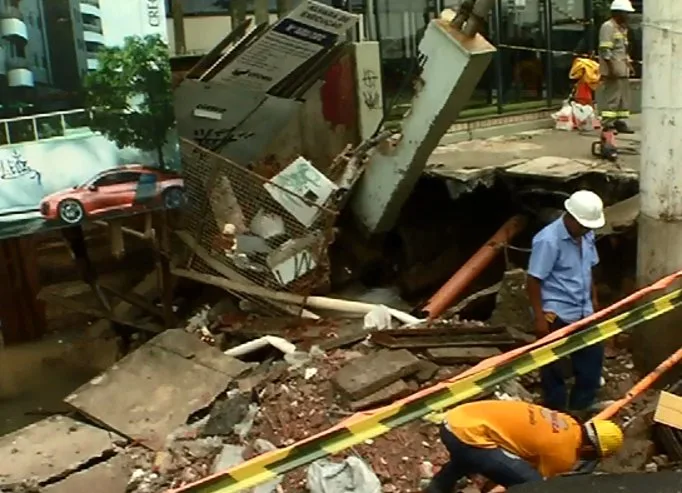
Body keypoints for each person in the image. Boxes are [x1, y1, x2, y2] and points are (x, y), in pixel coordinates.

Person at [424, 400, 623, 493]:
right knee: (533, 486)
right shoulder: (564, 455)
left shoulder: (568, 422)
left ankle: (437, 488)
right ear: (590, 450)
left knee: (473, 457)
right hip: (467, 435)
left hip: (459, 418)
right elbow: (534, 482)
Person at [527, 190, 605, 415]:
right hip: (557, 312)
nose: (586, 230)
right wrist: (540, 318)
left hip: (584, 311)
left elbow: (589, 269)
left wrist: (594, 301)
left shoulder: (587, 235)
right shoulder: (548, 240)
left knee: (591, 361)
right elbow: (533, 280)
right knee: (553, 368)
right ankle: (556, 413)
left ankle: (581, 409)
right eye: (583, 226)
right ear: (570, 217)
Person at [598, 0, 635, 134]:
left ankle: (620, 121)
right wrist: (611, 67)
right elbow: (605, 50)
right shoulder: (608, 27)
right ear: (618, 13)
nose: (628, 16)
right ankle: (608, 124)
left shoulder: (622, 28)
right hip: (613, 69)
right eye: (626, 13)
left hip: (622, 68)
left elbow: (622, 49)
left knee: (623, 98)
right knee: (612, 98)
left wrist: (629, 64)